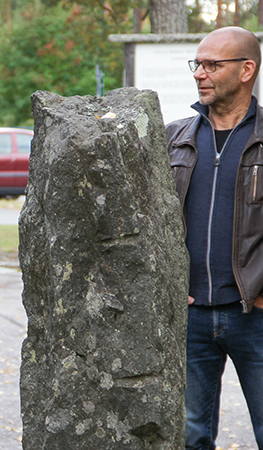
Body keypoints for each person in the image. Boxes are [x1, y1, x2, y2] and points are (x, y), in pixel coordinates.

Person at [166, 27, 263, 449]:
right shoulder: (173, 139)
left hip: (255, 317)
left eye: (211, 65)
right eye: (197, 64)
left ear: (246, 70)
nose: (199, 74)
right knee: (190, 436)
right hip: (188, 319)